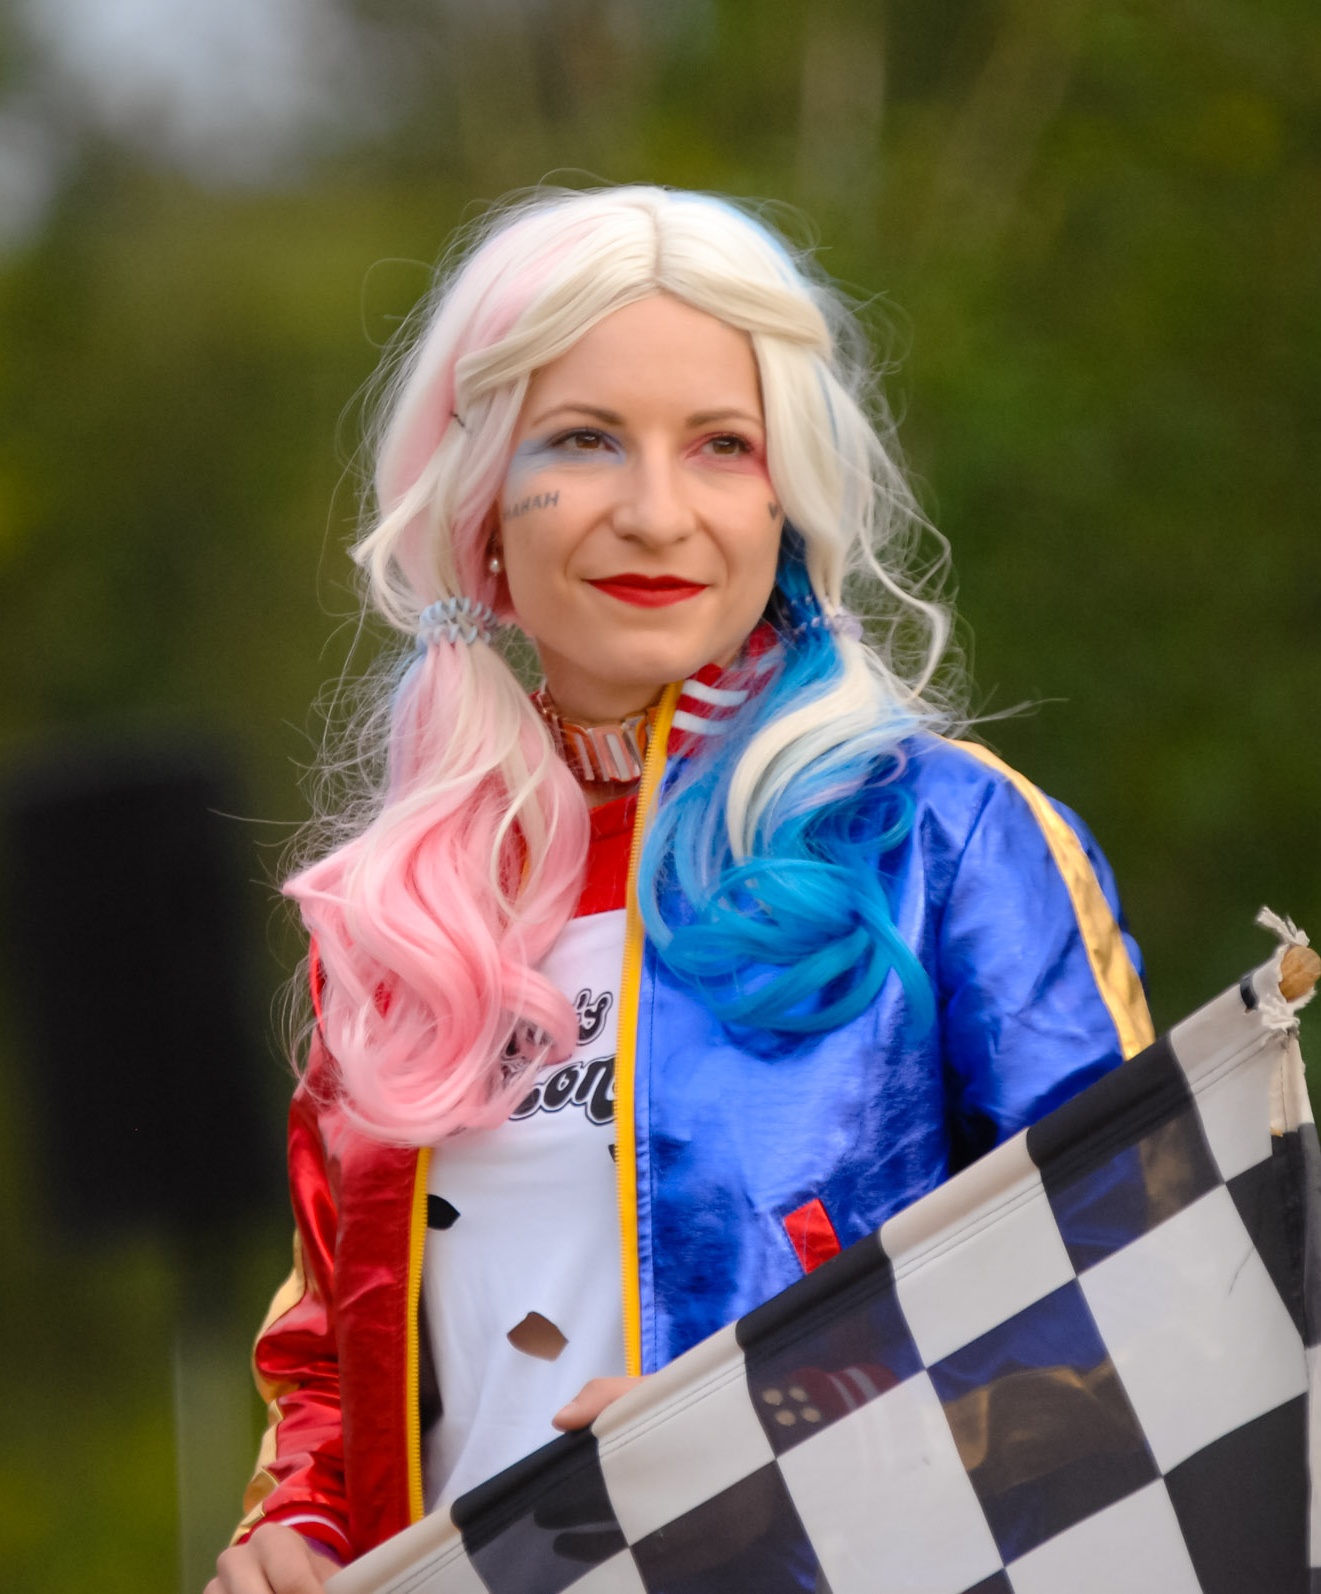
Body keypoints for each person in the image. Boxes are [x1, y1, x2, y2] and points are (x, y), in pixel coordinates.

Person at [208, 186, 1151, 1594]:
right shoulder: (403, 908)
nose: (655, 513)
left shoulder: (946, 839)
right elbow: (332, 1369)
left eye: (722, 444)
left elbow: (1142, 1286)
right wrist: (295, 1530)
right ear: (481, 497)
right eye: (584, 440)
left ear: (787, 495)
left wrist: (787, 1435)